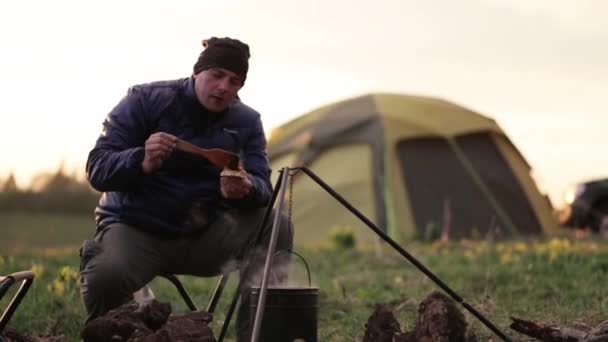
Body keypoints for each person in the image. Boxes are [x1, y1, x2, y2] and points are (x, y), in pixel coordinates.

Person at [80, 37, 293, 340]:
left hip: (208, 234)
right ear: (197, 72)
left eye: (234, 81)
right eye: (217, 75)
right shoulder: (144, 99)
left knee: (276, 224)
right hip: (138, 229)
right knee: (105, 276)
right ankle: (122, 331)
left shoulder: (247, 121)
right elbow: (97, 167)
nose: (223, 87)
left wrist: (244, 189)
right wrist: (141, 159)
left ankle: (258, 335)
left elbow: (262, 185)